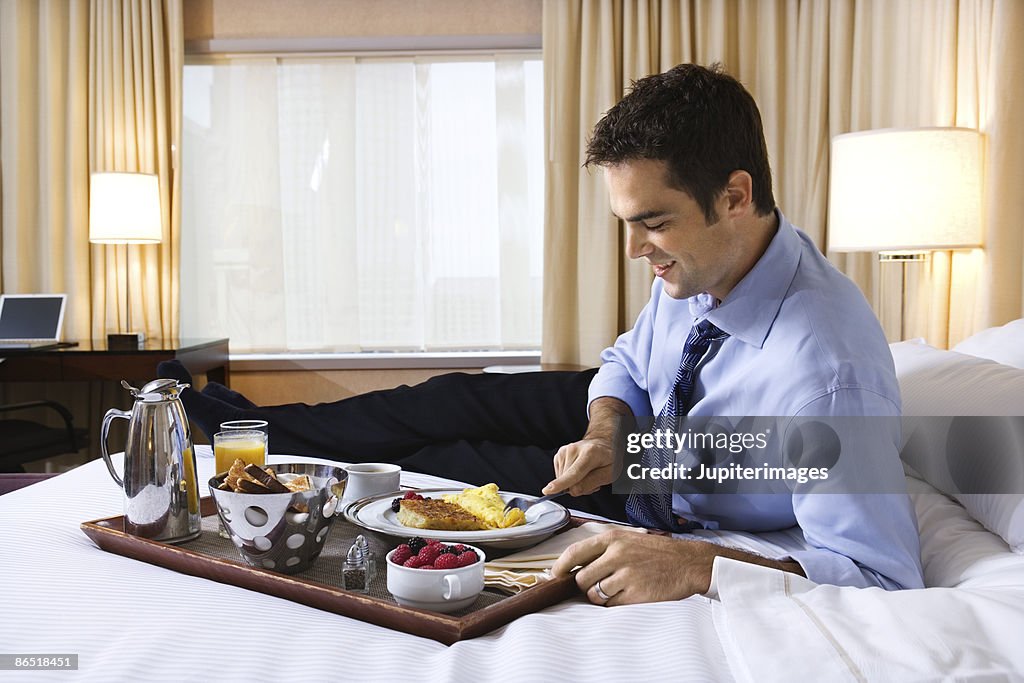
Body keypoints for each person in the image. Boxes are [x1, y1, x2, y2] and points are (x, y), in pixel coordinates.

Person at [161, 63, 924, 606]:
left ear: (735, 195)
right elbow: (628, 359)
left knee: (441, 467)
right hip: (636, 433)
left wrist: (695, 563)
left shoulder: (827, 372)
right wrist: (606, 426)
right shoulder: (702, 266)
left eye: (652, 224)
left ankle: (255, 447)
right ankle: (232, 422)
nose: (634, 252)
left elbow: (880, 574)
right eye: (627, 223)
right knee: (444, 401)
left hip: (667, 488)